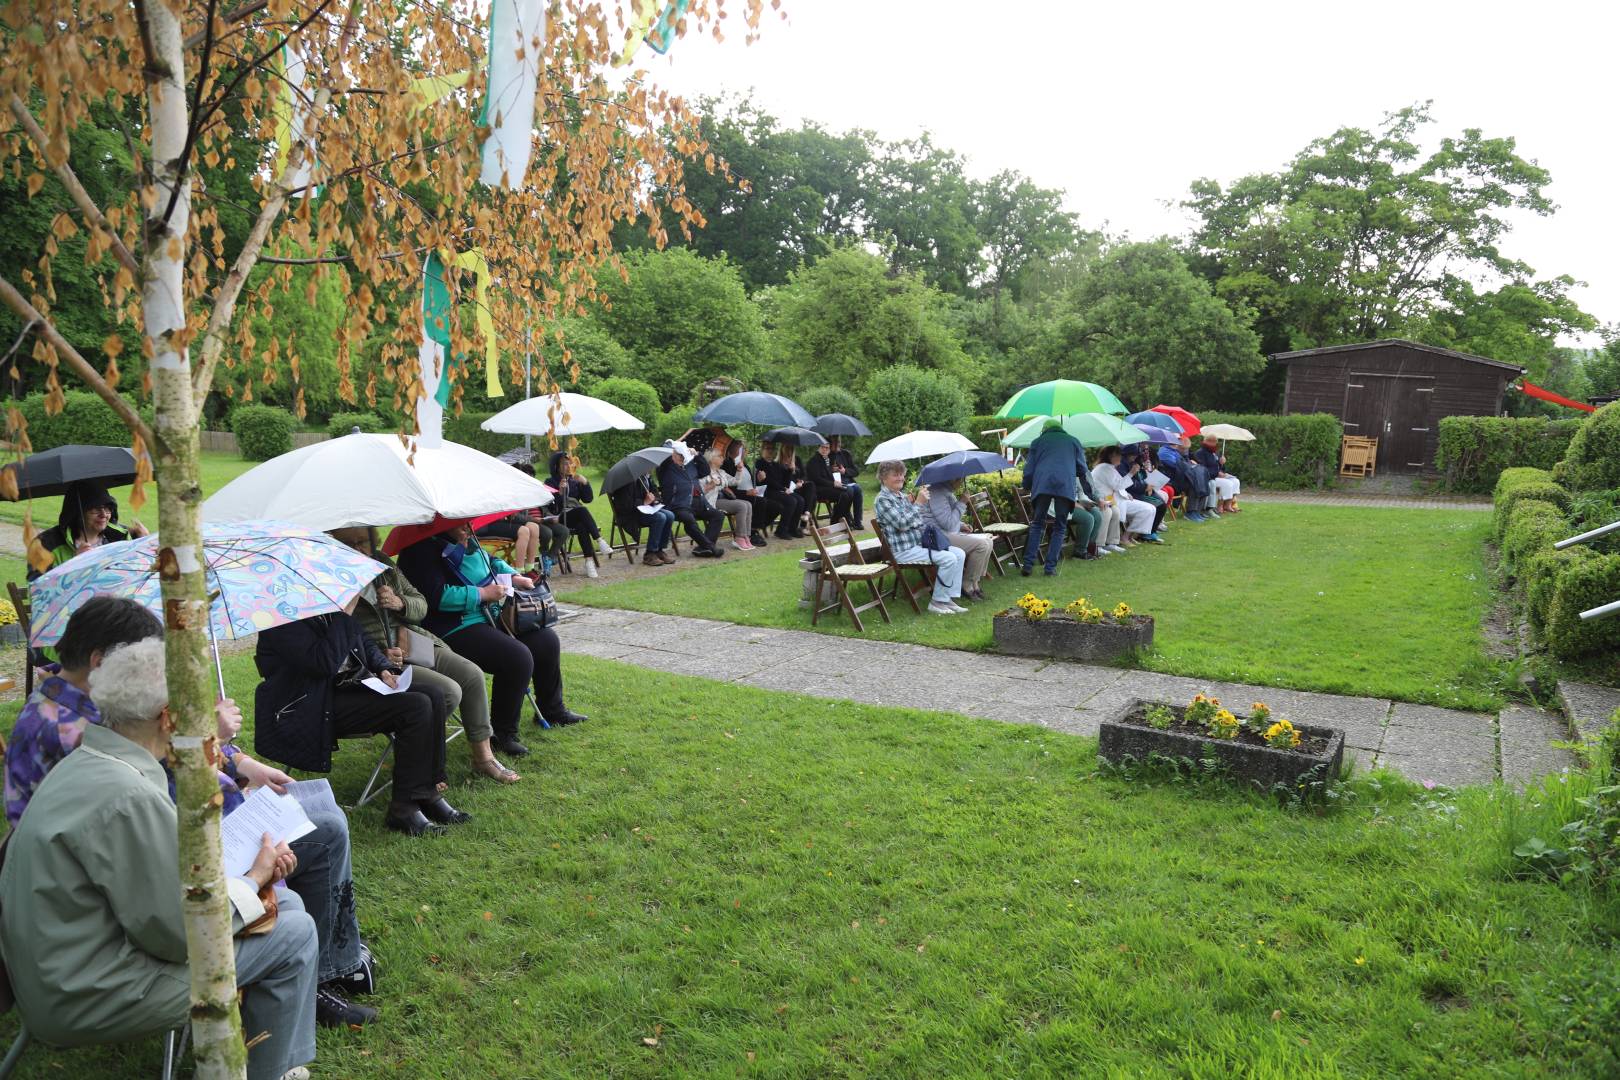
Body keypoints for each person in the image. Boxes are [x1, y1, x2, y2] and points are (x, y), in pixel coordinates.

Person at [5, 597, 377, 1024]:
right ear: (102, 662)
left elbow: (169, 747)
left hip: (151, 853)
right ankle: (316, 971)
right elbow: (161, 793)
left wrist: (242, 764)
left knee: (314, 802)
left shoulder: (84, 703)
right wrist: (212, 743)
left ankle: (329, 959)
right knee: (321, 831)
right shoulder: (73, 730)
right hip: (148, 867)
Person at [0, 638, 320, 1080]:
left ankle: (251, 1054)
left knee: (285, 906)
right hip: (87, 994)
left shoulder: (90, 761)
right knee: (295, 932)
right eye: (197, 707)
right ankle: (270, 1070)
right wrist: (255, 875)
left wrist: (253, 884)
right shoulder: (128, 794)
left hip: (62, 971)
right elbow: (177, 936)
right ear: (168, 718)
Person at [255, 603, 464, 838]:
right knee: (416, 707)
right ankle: (403, 809)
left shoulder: (322, 606)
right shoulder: (280, 619)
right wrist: (344, 616)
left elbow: (362, 639)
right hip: (310, 705)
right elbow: (324, 663)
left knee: (434, 695)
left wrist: (384, 668)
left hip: (346, 688)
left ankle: (428, 793)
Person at [333, 526, 519, 785]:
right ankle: (423, 761)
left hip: (413, 641)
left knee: (471, 675)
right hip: (378, 661)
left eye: (362, 541)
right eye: (348, 543)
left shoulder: (383, 565)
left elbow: (421, 605)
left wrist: (400, 603)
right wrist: (378, 657)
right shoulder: (330, 579)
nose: (357, 549)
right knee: (448, 692)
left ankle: (483, 757)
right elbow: (338, 636)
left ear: (374, 541)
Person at [396, 521, 588, 756]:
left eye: (469, 520)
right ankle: (503, 734)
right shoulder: (419, 550)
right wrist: (483, 593)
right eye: (461, 522)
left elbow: (492, 563)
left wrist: (515, 576)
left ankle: (553, 710)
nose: (468, 526)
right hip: (451, 627)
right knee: (516, 658)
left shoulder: (466, 539)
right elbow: (434, 597)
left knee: (546, 641)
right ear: (442, 521)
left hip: (487, 616)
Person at [873, 460, 968, 616]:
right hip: (902, 550)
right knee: (949, 558)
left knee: (959, 553)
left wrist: (914, 509)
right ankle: (937, 602)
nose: (900, 478)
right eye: (895, 475)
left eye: (902, 474)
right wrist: (918, 503)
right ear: (884, 478)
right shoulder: (883, 499)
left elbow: (917, 521)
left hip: (916, 545)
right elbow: (903, 524)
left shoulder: (900, 496)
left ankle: (947, 599)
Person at [26, 481, 148, 578]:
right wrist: (74, 564)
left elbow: (137, 576)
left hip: (112, 606)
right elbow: (39, 592)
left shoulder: (119, 537)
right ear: (77, 513)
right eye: (95, 509)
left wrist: (144, 544)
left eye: (107, 508)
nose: (104, 515)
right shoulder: (44, 544)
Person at [1019, 420, 1086, 576]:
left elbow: (1029, 470)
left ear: (1044, 430)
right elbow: (1082, 468)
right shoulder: (1073, 441)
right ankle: (1050, 568)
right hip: (1065, 486)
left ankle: (1028, 565)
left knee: (1037, 524)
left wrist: (1027, 485)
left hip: (1042, 485)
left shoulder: (1037, 442)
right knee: (1060, 526)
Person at [921, 477, 992, 600]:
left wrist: (961, 525)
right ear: (953, 479)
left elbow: (946, 519)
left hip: (946, 533)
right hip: (936, 536)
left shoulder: (944, 491)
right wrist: (962, 502)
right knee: (982, 545)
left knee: (988, 541)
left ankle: (974, 582)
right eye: (961, 479)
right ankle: (966, 584)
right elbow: (947, 523)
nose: (961, 482)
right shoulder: (937, 493)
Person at [656, 440, 726, 557]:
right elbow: (665, 453)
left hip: (698, 503)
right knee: (689, 520)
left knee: (718, 515)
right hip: (677, 504)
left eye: (683, 455)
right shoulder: (666, 467)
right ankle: (711, 547)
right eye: (679, 455)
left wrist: (697, 455)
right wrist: (670, 444)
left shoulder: (689, 464)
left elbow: (705, 471)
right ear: (672, 454)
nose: (682, 457)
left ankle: (703, 548)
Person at [548, 451, 602, 577]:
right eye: (565, 464)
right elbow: (552, 507)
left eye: (570, 464)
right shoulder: (550, 482)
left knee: (582, 526)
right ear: (557, 467)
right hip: (560, 518)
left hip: (575, 517)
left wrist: (585, 483)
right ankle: (599, 539)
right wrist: (559, 493)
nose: (569, 467)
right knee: (582, 511)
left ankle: (589, 562)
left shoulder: (573, 480)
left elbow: (588, 499)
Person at [1091, 446, 1155, 549]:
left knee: (1117, 512)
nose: (1121, 458)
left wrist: (1125, 493)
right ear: (1111, 456)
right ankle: (1101, 545)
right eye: (1119, 455)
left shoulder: (1108, 467)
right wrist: (1131, 473)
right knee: (1111, 512)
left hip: (1112, 499)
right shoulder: (1104, 468)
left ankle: (1114, 542)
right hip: (1103, 500)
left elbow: (1117, 484)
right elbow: (1117, 485)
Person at [609, 471, 677, 565]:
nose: (651, 469)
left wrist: (654, 500)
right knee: (660, 517)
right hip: (631, 515)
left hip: (646, 509)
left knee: (670, 515)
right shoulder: (627, 481)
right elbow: (625, 505)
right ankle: (650, 554)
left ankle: (659, 550)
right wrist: (644, 502)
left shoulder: (646, 477)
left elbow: (656, 494)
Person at [719, 438, 777, 547]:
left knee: (776, 506)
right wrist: (747, 493)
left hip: (752, 494)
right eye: (743, 448)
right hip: (738, 496)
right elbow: (728, 488)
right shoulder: (727, 464)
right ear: (734, 449)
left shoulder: (744, 464)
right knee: (761, 502)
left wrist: (758, 479)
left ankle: (754, 527)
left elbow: (750, 483)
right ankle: (752, 532)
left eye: (745, 448)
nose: (745, 451)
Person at [702, 446, 754, 550]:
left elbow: (735, 482)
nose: (723, 458)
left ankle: (746, 536)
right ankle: (739, 537)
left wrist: (739, 470)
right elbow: (700, 490)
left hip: (721, 500)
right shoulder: (704, 473)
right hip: (711, 501)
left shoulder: (721, 472)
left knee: (748, 504)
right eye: (720, 456)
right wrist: (710, 486)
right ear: (712, 458)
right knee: (741, 506)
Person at [755, 441, 805, 540]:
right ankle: (781, 530)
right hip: (767, 491)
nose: (770, 451)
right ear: (762, 450)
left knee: (800, 500)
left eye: (772, 448)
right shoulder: (760, 463)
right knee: (791, 501)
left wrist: (790, 470)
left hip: (778, 491)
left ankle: (792, 528)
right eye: (767, 448)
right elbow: (768, 481)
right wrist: (783, 489)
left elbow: (785, 483)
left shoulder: (775, 464)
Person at [804, 440, 857, 529]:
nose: (824, 450)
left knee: (849, 492)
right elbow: (817, 479)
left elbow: (829, 476)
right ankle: (835, 521)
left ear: (829, 450)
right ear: (819, 448)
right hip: (818, 490)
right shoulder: (814, 461)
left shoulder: (827, 459)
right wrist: (833, 483)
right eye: (823, 447)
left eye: (827, 448)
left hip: (828, 487)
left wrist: (837, 481)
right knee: (843, 494)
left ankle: (841, 519)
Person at [1068, 464, 1106, 560]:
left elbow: (1081, 493)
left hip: (1077, 502)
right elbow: (1062, 496)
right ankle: (1079, 551)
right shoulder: (1065, 470)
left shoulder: (1083, 471)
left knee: (1097, 515)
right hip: (1063, 505)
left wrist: (1088, 502)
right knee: (1088, 518)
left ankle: (1090, 549)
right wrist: (1078, 505)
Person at [826, 436, 865, 529]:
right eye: (835, 443)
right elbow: (823, 473)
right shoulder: (827, 455)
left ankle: (857, 521)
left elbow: (856, 471)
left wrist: (845, 471)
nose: (838, 445)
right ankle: (845, 518)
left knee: (858, 489)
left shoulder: (846, 454)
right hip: (834, 483)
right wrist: (831, 470)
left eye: (839, 442)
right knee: (849, 490)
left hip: (847, 481)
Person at [1196, 434, 1241, 513]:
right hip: (1210, 477)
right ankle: (1219, 506)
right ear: (1205, 441)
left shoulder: (1215, 453)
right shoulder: (1200, 453)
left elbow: (1219, 468)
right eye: (1211, 441)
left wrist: (1221, 463)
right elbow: (1202, 469)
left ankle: (1228, 505)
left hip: (1217, 475)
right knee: (1228, 484)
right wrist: (1217, 473)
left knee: (1235, 481)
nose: (1213, 443)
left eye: (1214, 442)